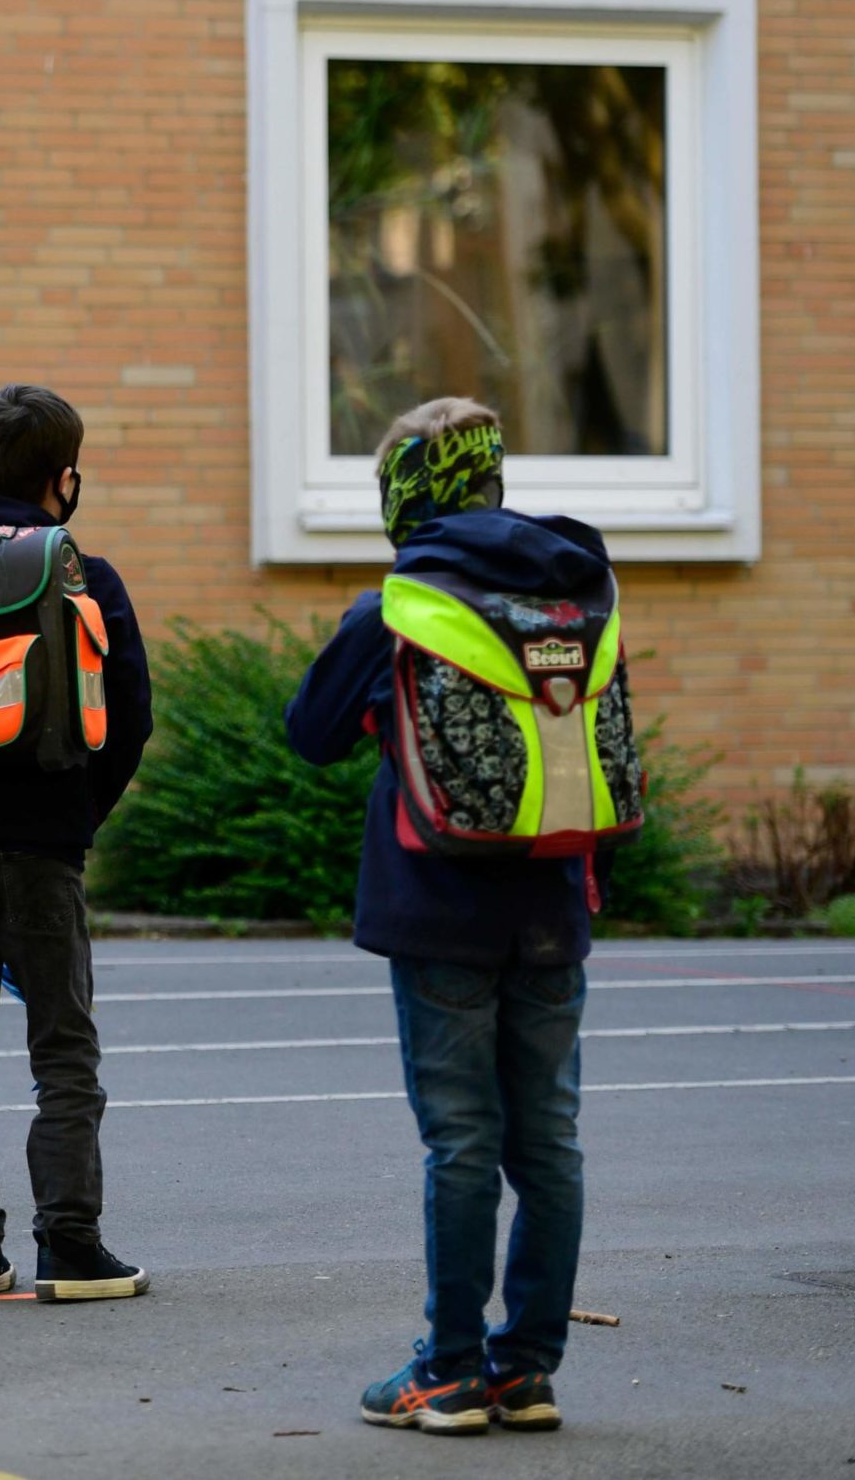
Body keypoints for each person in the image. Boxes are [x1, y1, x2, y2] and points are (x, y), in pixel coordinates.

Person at [286, 397, 596, 1436]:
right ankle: (529, 1369)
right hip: (554, 902)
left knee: (460, 1143)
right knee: (547, 1143)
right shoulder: (575, 592)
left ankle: (451, 1370)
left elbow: (310, 732)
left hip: (439, 911)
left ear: (402, 496)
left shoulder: (402, 607)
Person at [0, 384, 155, 1302]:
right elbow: (131, 718)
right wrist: (77, 817)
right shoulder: (81, 571)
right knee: (62, 1051)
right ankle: (70, 1246)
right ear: (65, 477)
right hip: (42, 844)